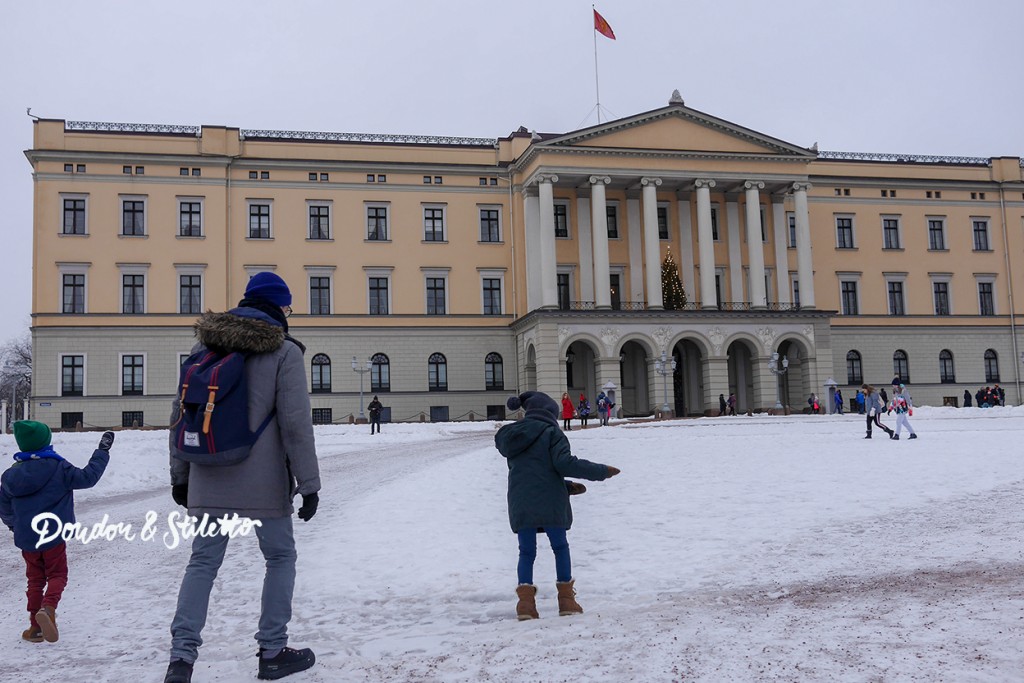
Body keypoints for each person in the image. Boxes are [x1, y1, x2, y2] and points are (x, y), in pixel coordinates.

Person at [165, 272, 322, 683]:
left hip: (207, 475)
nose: (290, 313)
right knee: (280, 558)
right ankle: (272, 651)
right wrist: (309, 485)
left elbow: (180, 415)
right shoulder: (285, 352)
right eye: (288, 306)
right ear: (278, 306)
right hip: (263, 483)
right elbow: (295, 424)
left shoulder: (205, 346)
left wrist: (180, 477)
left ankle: (181, 659)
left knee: (202, 563)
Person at [494, 392, 620, 621]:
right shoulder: (553, 433)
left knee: (526, 552)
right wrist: (600, 471)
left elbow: (534, 470)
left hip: (521, 501)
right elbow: (563, 463)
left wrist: (567, 485)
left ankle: (525, 605)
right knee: (560, 547)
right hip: (551, 501)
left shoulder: (513, 437)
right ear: (549, 414)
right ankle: (566, 601)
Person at [0, 422, 113, 644]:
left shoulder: (10, 475)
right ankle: (49, 608)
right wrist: (102, 451)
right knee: (57, 575)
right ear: (45, 441)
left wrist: (16, 527)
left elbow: (4, 507)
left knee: (34, 580)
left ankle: (35, 628)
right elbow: (88, 478)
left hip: (27, 538)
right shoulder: (58, 467)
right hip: (53, 536)